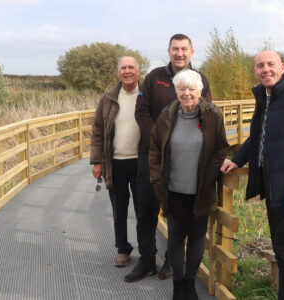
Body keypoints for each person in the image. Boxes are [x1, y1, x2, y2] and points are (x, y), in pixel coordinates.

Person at [221, 50, 284, 300]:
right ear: (254, 71)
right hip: (274, 186)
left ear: (282, 67)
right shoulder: (266, 97)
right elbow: (258, 137)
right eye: (259, 65)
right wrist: (236, 159)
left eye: (270, 64)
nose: (265, 69)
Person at [127, 33, 213, 282]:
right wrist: (158, 138)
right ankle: (146, 261)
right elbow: (141, 111)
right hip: (151, 156)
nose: (179, 53)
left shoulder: (200, 80)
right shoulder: (154, 77)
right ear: (169, 51)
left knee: (177, 213)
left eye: (184, 49)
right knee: (145, 210)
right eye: (175, 49)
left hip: (184, 160)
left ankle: (170, 262)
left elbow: (207, 115)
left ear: (192, 52)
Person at [150, 69, 228, 300]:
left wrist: (211, 174)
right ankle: (178, 284)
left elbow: (221, 148)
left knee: (196, 238)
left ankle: (190, 284)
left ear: (200, 91)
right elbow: (154, 150)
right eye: (181, 89)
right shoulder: (166, 116)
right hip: (172, 190)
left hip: (200, 192)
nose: (186, 94)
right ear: (176, 91)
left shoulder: (213, 115)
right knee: (174, 236)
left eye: (191, 89)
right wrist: (156, 178)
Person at [90, 56, 141, 268]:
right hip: (115, 163)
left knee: (144, 209)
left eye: (131, 67)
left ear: (138, 71)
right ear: (118, 72)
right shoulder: (108, 98)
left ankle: (148, 251)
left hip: (142, 162)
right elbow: (98, 131)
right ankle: (122, 249)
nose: (127, 71)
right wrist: (97, 161)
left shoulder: (148, 95)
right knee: (119, 208)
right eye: (123, 67)